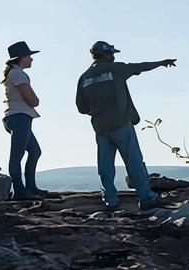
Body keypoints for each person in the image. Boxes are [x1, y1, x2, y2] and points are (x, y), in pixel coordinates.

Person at [75, 40, 176, 211]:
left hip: (100, 127)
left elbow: (81, 108)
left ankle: (110, 201)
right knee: (134, 162)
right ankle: (146, 197)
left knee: (105, 167)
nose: (113, 56)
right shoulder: (116, 69)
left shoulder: (84, 77)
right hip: (121, 124)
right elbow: (141, 66)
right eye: (111, 53)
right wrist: (161, 63)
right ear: (106, 54)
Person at [2, 41, 46, 200]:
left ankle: (30, 188)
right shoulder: (18, 74)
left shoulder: (14, 73)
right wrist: (35, 100)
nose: (31, 59)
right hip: (20, 117)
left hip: (18, 117)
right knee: (17, 156)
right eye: (29, 56)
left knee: (35, 151)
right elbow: (33, 100)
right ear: (21, 58)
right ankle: (20, 191)